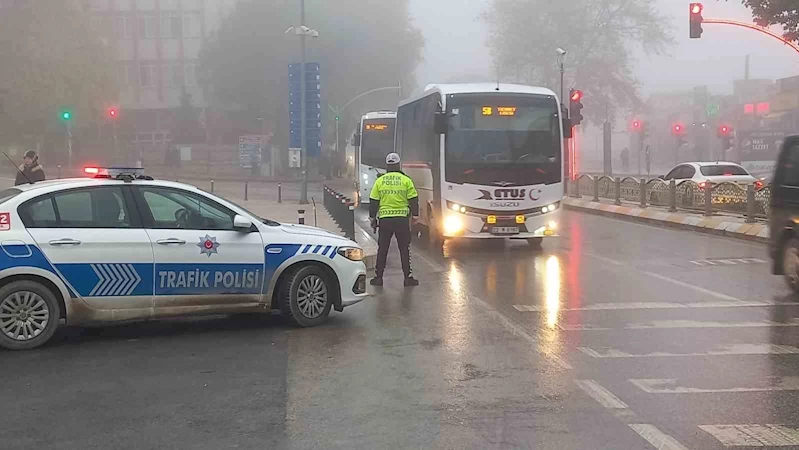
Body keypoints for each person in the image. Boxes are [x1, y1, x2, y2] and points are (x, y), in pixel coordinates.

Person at [369, 152, 419, 287]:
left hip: (385, 221)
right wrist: (415, 215)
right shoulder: (406, 180)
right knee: (404, 248)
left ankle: (378, 278)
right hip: (402, 220)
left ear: (387, 166)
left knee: (383, 249)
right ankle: (408, 278)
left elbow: (373, 201)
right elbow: (413, 198)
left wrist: (372, 217)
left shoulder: (380, 181)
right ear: (398, 165)